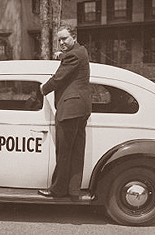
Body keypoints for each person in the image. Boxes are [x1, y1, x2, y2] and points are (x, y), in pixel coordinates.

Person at [38, 24, 92, 200]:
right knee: (76, 152)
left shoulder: (73, 56)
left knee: (64, 152)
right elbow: (71, 60)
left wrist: (42, 89)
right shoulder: (81, 51)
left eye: (64, 39)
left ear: (74, 37)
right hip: (81, 108)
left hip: (69, 110)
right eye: (58, 40)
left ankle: (58, 190)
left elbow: (58, 79)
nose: (61, 42)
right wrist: (62, 55)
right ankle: (73, 190)